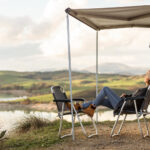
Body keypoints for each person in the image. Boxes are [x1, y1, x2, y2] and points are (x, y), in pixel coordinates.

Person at [66, 70, 150, 117]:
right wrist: (126, 96)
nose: (144, 75)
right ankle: (79, 107)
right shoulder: (146, 90)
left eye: (146, 75)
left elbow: (133, 101)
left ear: (147, 79)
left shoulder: (144, 90)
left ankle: (91, 108)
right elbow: (135, 99)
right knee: (101, 100)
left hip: (123, 105)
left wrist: (125, 99)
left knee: (105, 89)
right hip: (124, 103)